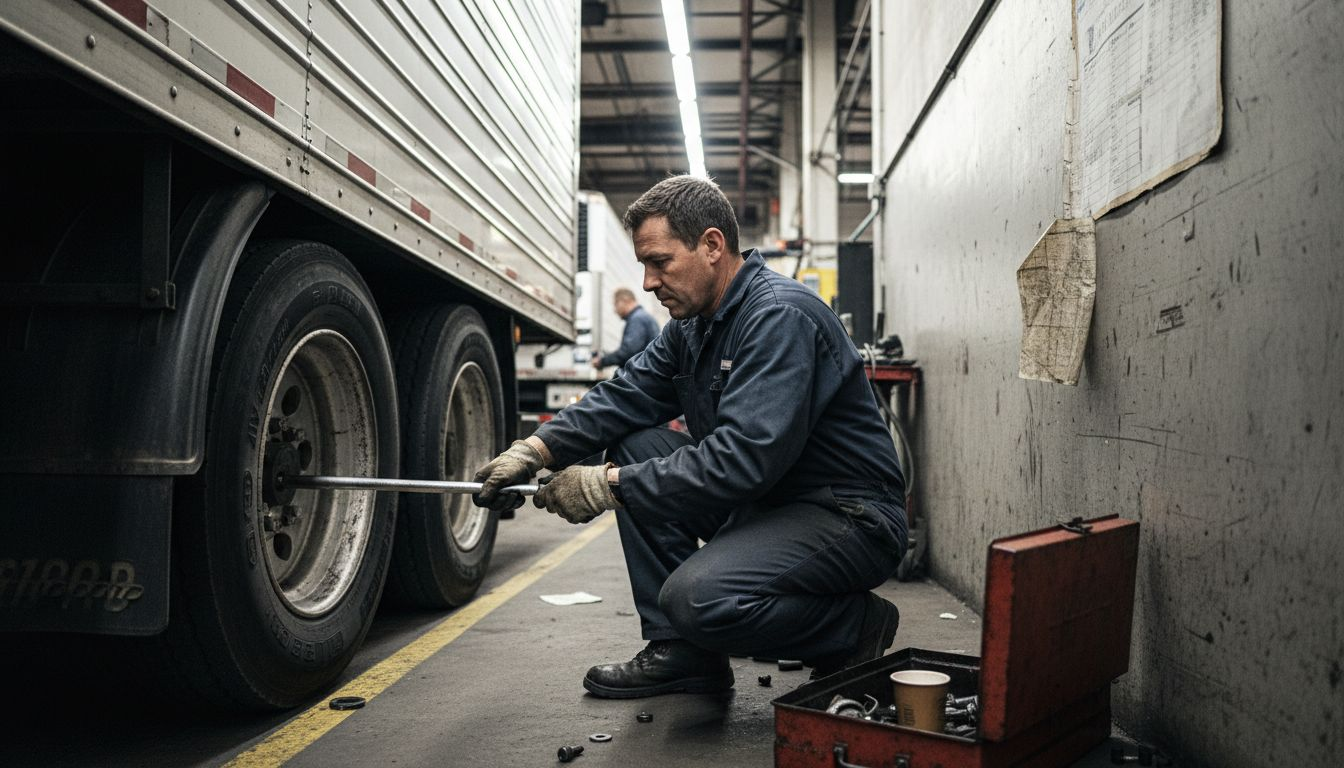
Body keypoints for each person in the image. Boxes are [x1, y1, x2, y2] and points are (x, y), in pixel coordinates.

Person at [473, 175, 907, 699]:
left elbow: (743, 459)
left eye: (660, 262)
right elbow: (625, 394)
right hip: (773, 502)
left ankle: (853, 626)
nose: (650, 282)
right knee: (637, 445)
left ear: (712, 246)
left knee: (699, 598)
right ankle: (684, 653)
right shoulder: (693, 327)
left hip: (846, 515)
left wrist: (605, 486)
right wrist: (535, 450)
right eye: (644, 267)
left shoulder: (778, 317)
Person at [591, 288, 661, 371]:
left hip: (641, 376)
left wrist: (602, 361)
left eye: (615, 304)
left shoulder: (637, 319)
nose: (615, 310)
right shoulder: (644, 317)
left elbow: (628, 352)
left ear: (624, 301)